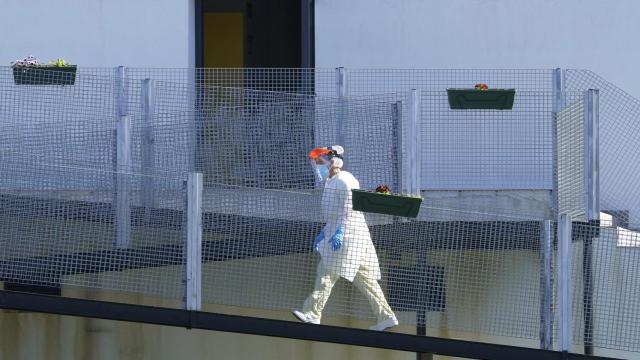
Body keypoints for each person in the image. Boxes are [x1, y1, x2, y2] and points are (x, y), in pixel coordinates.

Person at [292, 145, 398, 331]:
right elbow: (335, 213)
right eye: (315, 162)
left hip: (349, 235)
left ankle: (313, 313)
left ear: (331, 160)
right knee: (365, 279)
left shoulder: (344, 179)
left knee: (326, 273)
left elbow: (350, 208)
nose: (317, 166)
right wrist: (325, 232)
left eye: (319, 161)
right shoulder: (330, 182)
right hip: (346, 235)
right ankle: (386, 317)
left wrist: (339, 231)